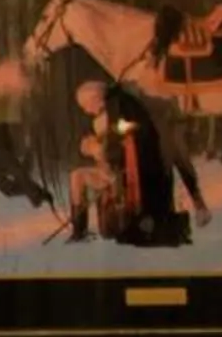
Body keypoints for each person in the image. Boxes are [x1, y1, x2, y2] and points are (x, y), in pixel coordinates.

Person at [64, 78, 189, 248]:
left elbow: (125, 142)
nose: (86, 110)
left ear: (95, 99)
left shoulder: (118, 111)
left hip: (122, 172)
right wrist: (88, 146)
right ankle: (79, 229)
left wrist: (101, 149)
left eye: (86, 105)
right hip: (106, 169)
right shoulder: (98, 120)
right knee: (76, 176)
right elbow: (92, 143)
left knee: (94, 177)